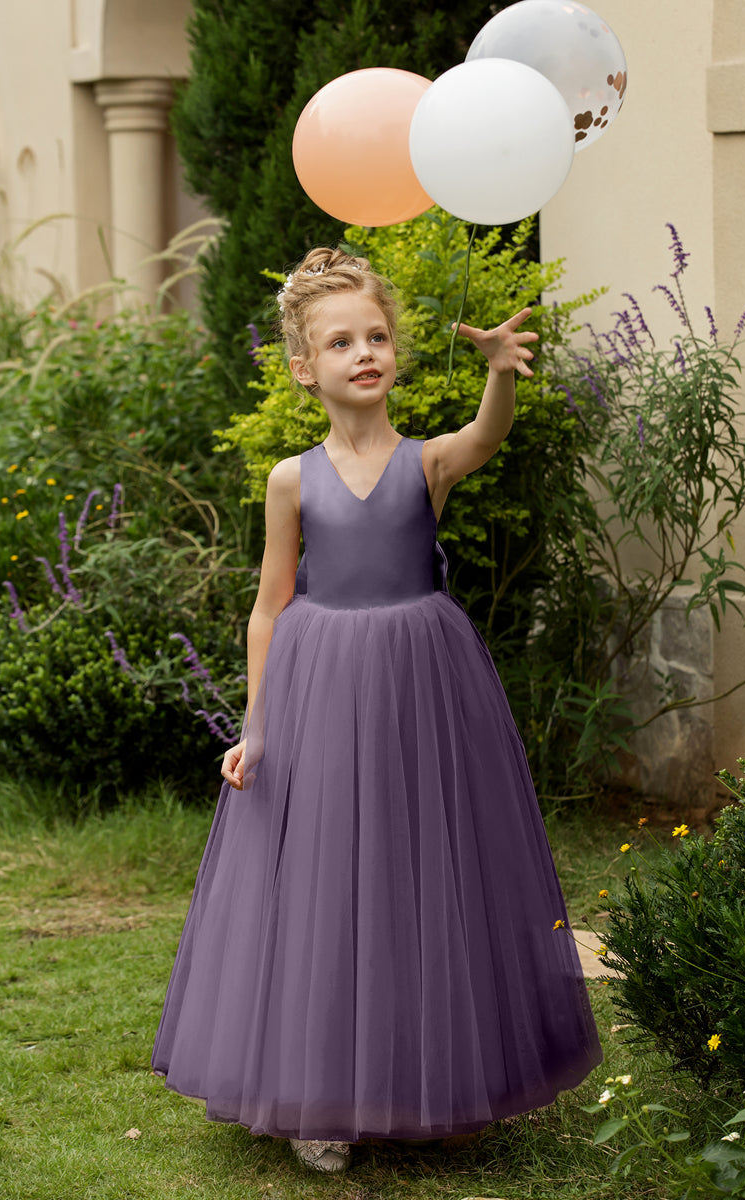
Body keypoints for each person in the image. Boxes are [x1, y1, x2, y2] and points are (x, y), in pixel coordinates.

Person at [152, 247, 603, 1174]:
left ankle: (444, 1080)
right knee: (325, 880)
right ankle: (321, 1093)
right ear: (302, 367)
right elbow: (270, 604)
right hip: (319, 684)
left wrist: (496, 377)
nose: (365, 352)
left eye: (379, 336)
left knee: (425, 870)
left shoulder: (425, 462)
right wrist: (256, 727)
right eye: (341, 341)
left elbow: (486, 438)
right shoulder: (292, 479)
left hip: (422, 683)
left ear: (395, 351)